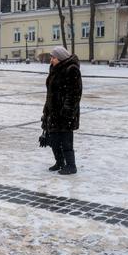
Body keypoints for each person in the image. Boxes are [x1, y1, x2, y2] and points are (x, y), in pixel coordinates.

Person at [41, 46, 83, 175]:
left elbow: (74, 94)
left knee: (66, 140)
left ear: (60, 58)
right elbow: (50, 93)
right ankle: (60, 162)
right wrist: (46, 110)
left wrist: (67, 112)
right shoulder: (55, 69)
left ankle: (71, 165)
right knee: (54, 139)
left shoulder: (72, 70)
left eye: (53, 57)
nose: (51, 60)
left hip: (65, 113)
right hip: (53, 112)